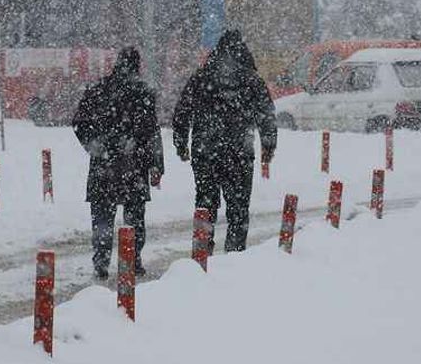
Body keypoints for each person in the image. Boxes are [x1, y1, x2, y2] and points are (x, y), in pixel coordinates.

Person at [172, 30, 277, 253]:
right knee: (238, 208)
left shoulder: (201, 77)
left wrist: (181, 143)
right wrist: (268, 145)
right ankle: (235, 254)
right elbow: (266, 114)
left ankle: (202, 252)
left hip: (205, 151)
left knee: (205, 204)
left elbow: (182, 112)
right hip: (239, 152)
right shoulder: (252, 80)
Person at [72, 47, 164, 280]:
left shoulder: (98, 90)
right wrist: (156, 165)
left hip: (103, 165)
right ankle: (133, 259)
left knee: (102, 215)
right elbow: (153, 132)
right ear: (137, 66)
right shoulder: (143, 93)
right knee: (134, 217)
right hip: (133, 165)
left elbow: (79, 122)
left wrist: (94, 145)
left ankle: (101, 260)